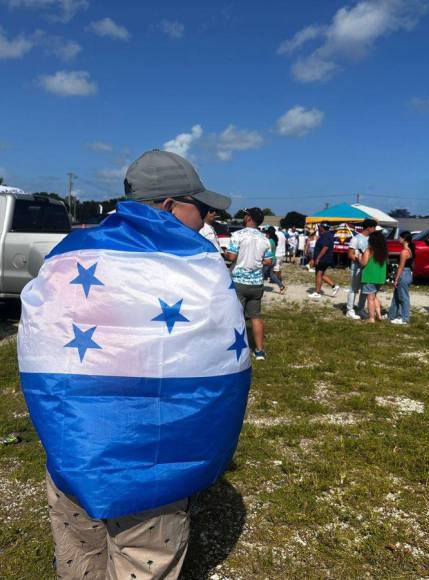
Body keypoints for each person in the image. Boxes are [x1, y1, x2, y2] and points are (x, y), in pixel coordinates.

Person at [21, 149, 244, 579]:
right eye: (200, 207)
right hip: (153, 469)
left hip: (74, 452)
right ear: (168, 206)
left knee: (78, 556)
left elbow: (41, 334)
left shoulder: (73, 253)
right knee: (145, 561)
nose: (206, 217)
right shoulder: (196, 267)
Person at [227, 208, 274, 360]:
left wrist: (226, 254)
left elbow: (232, 256)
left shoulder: (237, 235)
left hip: (239, 281)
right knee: (255, 317)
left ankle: (235, 348)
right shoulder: (265, 239)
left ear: (249, 218)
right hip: (256, 283)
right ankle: (260, 351)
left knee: (236, 316)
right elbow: (269, 261)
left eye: (245, 215)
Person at [345, 219, 377, 319]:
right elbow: (350, 254)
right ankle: (349, 309)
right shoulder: (356, 239)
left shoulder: (372, 239)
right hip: (357, 268)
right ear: (369, 228)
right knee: (354, 289)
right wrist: (359, 260)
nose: (375, 229)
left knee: (365, 290)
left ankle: (361, 309)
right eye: (374, 227)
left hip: (368, 270)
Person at [359, 231, 388, 323]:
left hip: (370, 277)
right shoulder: (384, 251)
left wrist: (359, 256)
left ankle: (371, 318)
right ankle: (379, 315)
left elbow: (364, 263)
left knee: (370, 298)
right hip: (380, 278)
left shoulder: (369, 250)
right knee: (374, 296)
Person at [388, 231, 415, 325]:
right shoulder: (411, 250)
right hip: (408, 274)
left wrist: (396, 279)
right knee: (396, 296)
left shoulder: (404, 251)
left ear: (404, 239)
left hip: (403, 274)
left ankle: (404, 318)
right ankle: (392, 315)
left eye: (400, 238)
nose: (399, 239)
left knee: (403, 297)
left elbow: (401, 266)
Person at [309, 222, 340, 298]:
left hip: (323, 259)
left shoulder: (325, 236)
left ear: (322, 227)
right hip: (325, 258)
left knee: (318, 275)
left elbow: (325, 248)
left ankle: (317, 292)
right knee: (320, 275)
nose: (319, 228)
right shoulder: (328, 235)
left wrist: (318, 258)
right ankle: (334, 286)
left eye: (320, 226)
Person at [263, 226, 286, 293]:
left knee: (262, 274)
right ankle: (281, 286)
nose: (265, 234)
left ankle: (258, 288)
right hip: (274, 259)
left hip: (268, 260)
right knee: (271, 275)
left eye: (266, 233)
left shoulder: (268, 241)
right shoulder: (274, 240)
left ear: (269, 233)